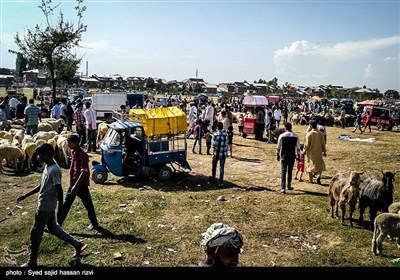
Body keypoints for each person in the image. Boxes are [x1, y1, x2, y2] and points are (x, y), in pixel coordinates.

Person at [16, 143, 87, 268]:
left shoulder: (54, 169)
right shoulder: (48, 166)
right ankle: (78, 245)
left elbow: (59, 190)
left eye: (39, 155)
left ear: (46, 155)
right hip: (47, 203)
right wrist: (26, 195)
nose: (37, 157)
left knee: (35, 233)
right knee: (53, 228)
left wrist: (61, 209)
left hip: (46, 206)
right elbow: (42, 185)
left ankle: (32, 262)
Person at [57, 134, 99, 231]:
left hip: (80, 185)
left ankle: (94, 223)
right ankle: (58, 224)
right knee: (66, 205)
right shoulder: (74, 153)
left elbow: (84, 171)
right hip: (73, 184)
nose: (68, 144)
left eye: (70, 143)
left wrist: (76, 185)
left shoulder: (82, 154)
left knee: (88, 205)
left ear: (76, 143)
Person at [276, 122, 300, 194]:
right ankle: (288, 185)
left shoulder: (282, 136)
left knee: (283, 171)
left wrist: (277, 154)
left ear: (285, 128)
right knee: (290, 171)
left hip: (284, 155)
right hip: (292, 155)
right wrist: (298, 156)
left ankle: (283, 188)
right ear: (291, 127)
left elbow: (278, 146)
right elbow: (298, 147)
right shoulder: (296, 136)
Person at [304, 119, 326, 185]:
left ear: (310, 126)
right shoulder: (321, 134)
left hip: (311, 152)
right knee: (319, 165)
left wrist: (304, 151)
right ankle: (318, 175)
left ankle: (311, 180)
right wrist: (324, 151)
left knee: (310, 164)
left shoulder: (309, 134)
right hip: (318, 151)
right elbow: (323, 144)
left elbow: (307, 144)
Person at [209, 122, 228, 187]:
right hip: (223, 154)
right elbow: (226, 144)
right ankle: (221, 182)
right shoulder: (226, 135)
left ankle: (213, 178)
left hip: (216, 153)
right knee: (221, 168)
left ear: (217, 127)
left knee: (214, 166)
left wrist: (213, 154)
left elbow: (214, 146)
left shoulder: (215, 135)